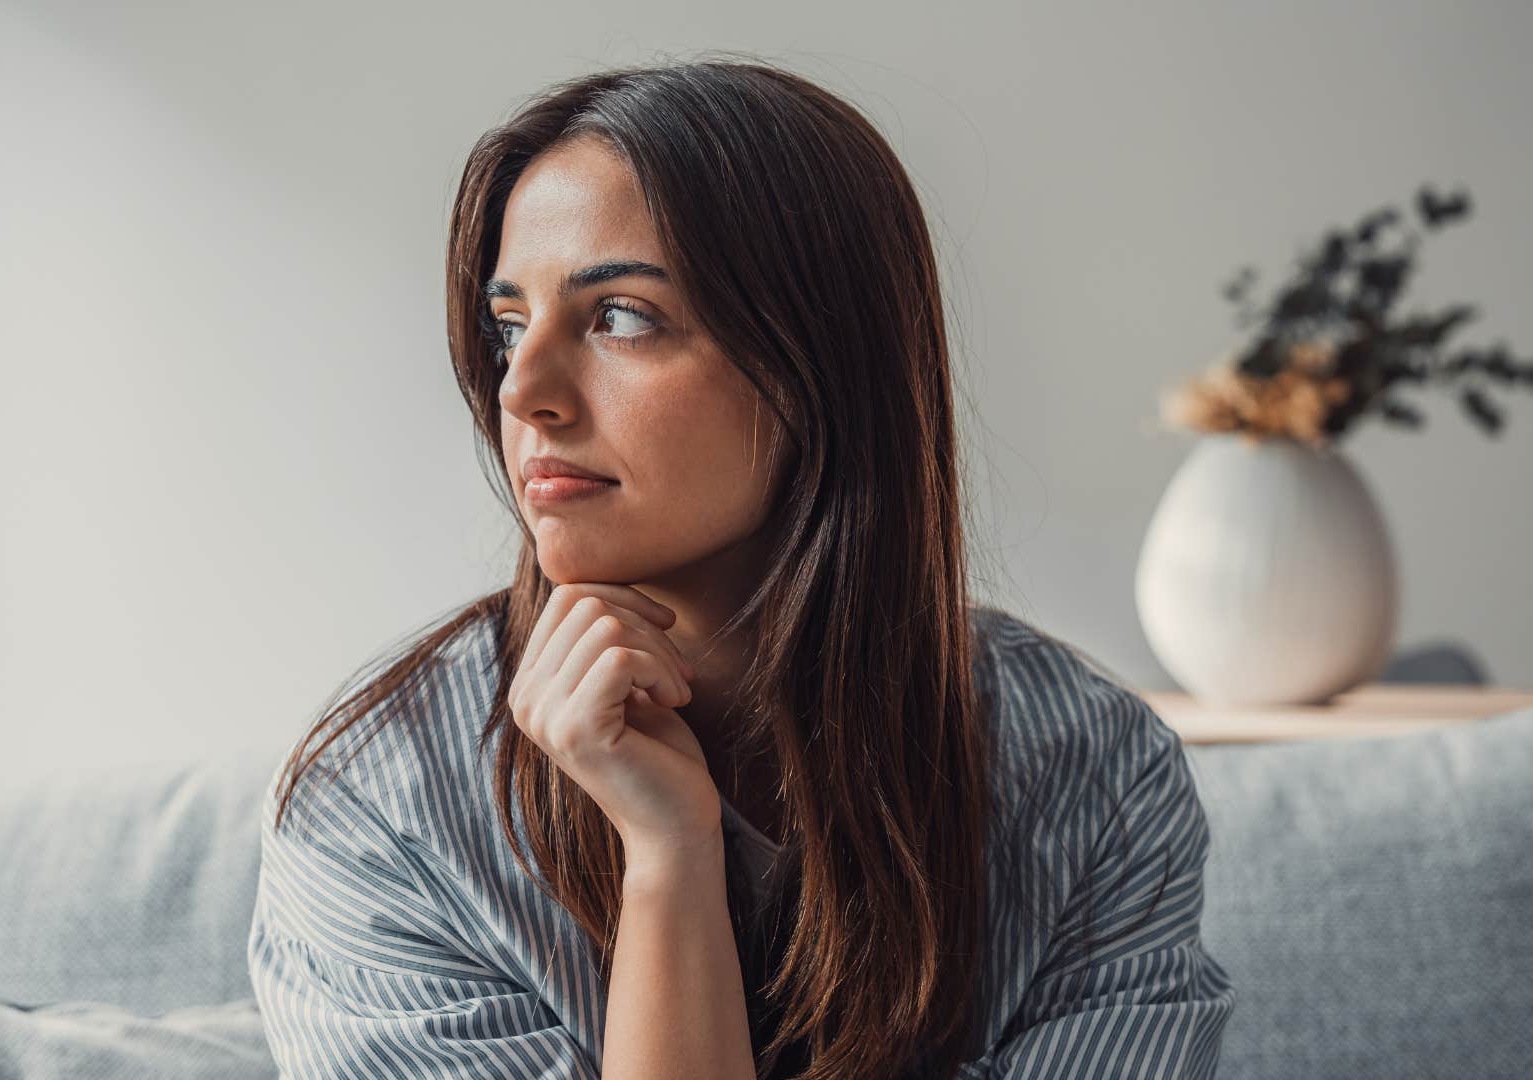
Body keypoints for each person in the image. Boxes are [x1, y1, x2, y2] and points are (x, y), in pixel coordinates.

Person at [248, 55, 1235, 1079]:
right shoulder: (381, 809)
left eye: (620, 316)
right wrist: (670, 861)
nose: (525, 391)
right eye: (508, 329)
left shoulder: (1090, 778)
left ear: (818, 368)